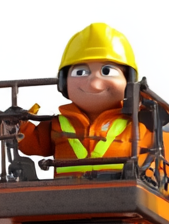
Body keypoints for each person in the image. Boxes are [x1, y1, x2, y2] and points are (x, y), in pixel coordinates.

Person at [18, 23, 152, 175]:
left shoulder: (139, 125)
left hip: (121, 193)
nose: (94, 84)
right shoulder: (58, 125)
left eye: (107, 71)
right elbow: (33, 143)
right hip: (65, 195)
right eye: (80, 72)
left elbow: (158, 158)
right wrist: (16, 126)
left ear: (129, 82)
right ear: (63, 82)